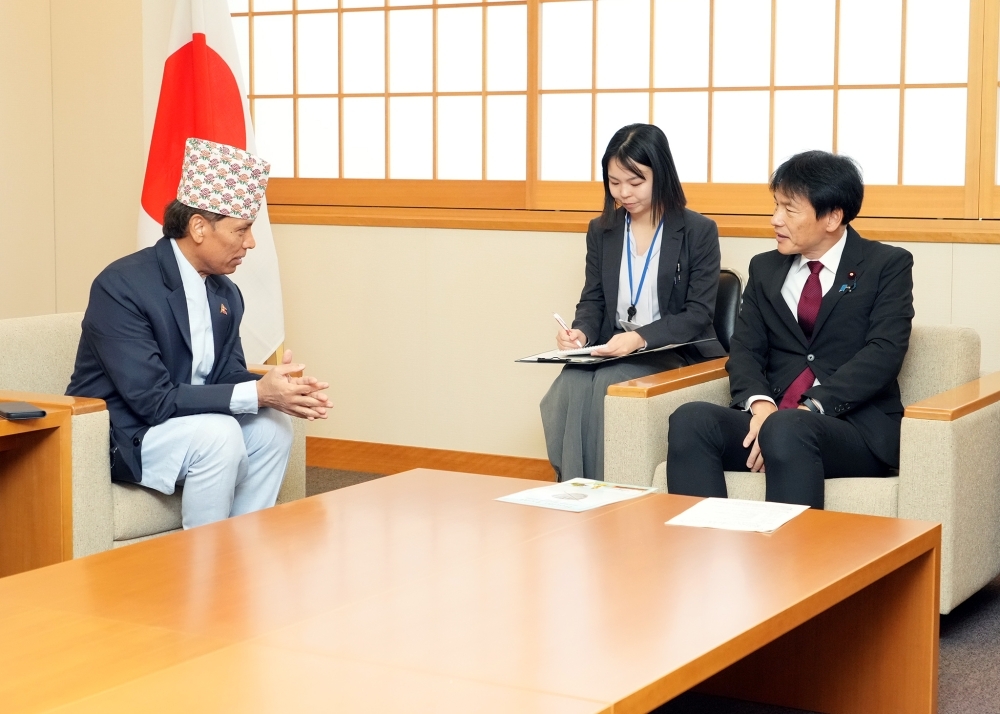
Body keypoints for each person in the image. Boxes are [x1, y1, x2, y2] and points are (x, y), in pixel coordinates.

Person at [67, 138, 332, 529]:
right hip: (126, 433)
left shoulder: (226, 293)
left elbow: (227, 375)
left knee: (273, 427)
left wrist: (275, 387)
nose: (251, 243)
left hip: (190, 423)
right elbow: (152, 401)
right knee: (219, 433)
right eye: (242, 230)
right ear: (198, 227)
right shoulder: (121, 286)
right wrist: (257, 394)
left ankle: (242, 548)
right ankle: (202, 558)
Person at [666, 150, 914, 509]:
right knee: (691, 420)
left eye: (789, 209)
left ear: (832, 217)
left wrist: (809, 407)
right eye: (776, 206)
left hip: (852, 429)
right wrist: (761, 406)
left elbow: (884, 352)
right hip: (776, 419)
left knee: (787, 429)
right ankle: (705, 541)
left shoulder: (886, 265)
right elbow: (746, 349)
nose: (775, 219)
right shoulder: (765, 268)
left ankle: (791, 548)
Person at [540, 124, 726, 482]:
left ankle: (600, 489)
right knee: (571, 381)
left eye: (635, 181)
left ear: (661, 175)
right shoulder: (602, 230)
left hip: (672, 351)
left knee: (610, 381)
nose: (623, 192)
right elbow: (594, 298)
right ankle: (575, 487)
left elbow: (698, 314)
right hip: (613, 349)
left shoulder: (697, 231)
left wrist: (640, 339)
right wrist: (580, 334)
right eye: (614, 182)